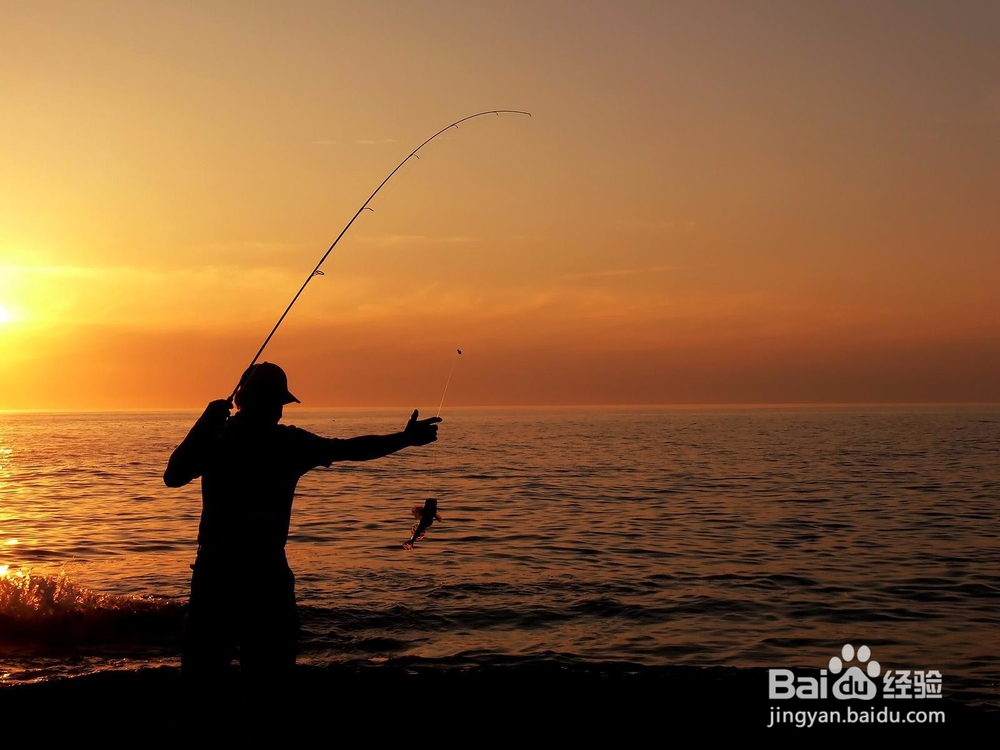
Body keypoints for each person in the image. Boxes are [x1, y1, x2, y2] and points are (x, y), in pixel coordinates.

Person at [163, 361, 441, 686]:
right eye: (277, 403)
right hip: (263, 577)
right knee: (268, 677)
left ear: (239, 398)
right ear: (263, 403)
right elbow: (351, 449)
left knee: (205, 676)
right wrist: (405, 439)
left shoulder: (219, 439)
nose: (279, 412)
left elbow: (173, 476)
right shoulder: (282, 443)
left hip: (218, 575)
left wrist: (204, 424)